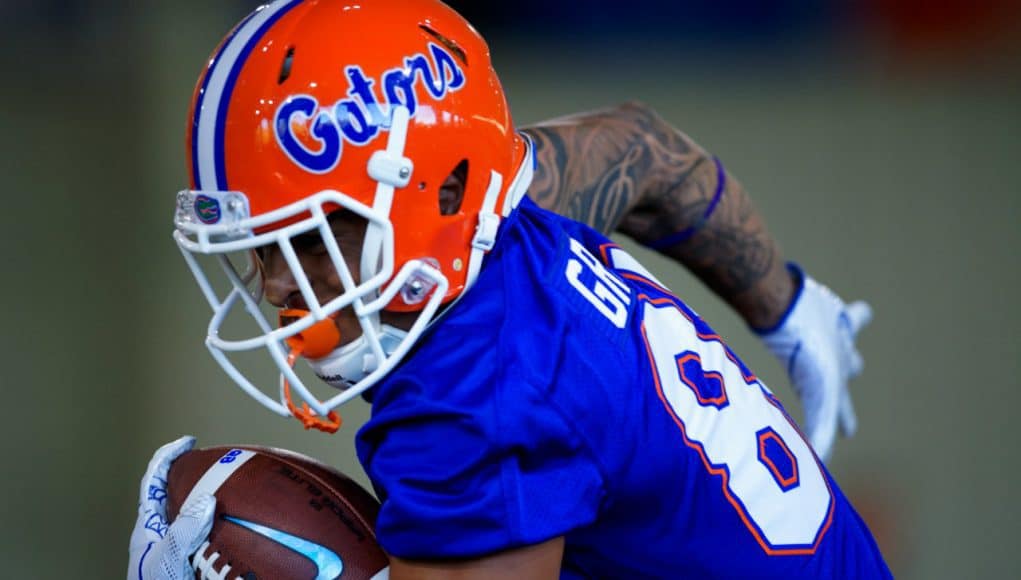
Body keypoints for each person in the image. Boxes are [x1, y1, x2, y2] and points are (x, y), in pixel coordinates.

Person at [129, 0, 890, 577]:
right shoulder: (494, 213)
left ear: (445, 188)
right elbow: (645, 152)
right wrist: (786, 309)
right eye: (261, 244)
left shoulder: (467, 403)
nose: (279, 283)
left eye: (310, 236)